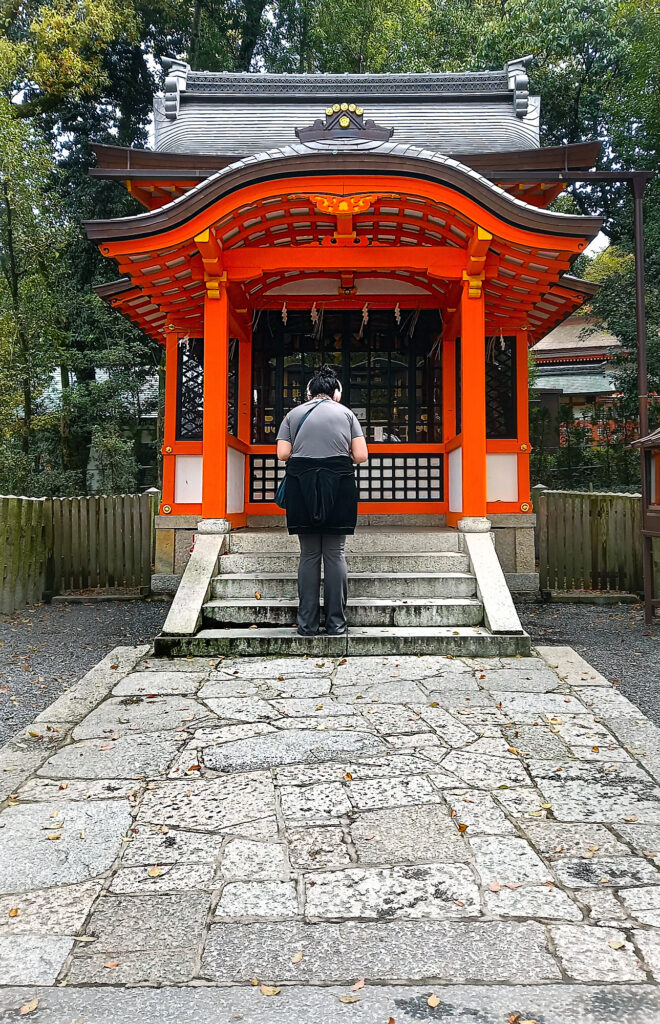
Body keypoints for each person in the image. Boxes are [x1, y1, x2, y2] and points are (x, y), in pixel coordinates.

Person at [276, 365, 368, 636]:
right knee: (335, 553)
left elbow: (283, 454)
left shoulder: (293, 415)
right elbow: (361, 455)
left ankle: (307, 624)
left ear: (309, 393)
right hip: (338, 484)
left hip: (301, 486)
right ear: (336, 393)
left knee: (308, 554)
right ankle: (336, 624)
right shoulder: (347, 414)